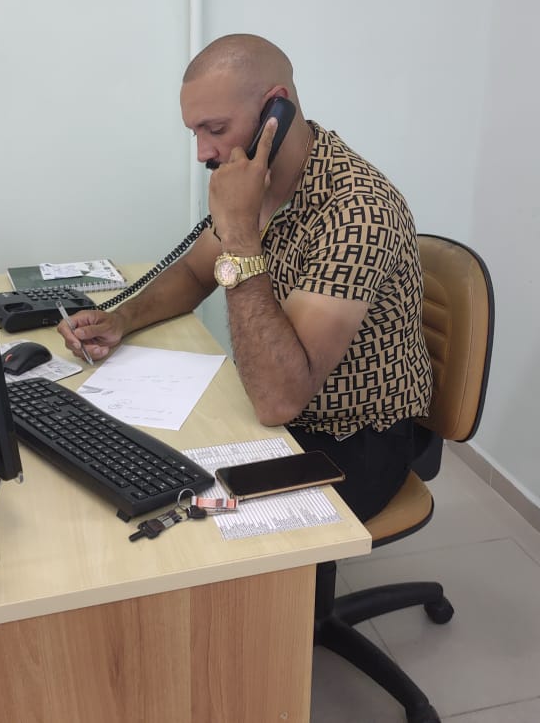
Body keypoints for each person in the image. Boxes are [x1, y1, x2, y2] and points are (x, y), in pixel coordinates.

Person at [57, 34, 432, 522]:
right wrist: (121, 319)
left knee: (183, 521)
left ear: (276, 109)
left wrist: (238, 234)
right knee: (133, 470)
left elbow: (279, 400)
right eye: (194, 132)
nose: (203, 152)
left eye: (215, 128)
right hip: (273, 408)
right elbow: (194, 272)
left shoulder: (357, 213)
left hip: (350, 441)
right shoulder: (257, 178)